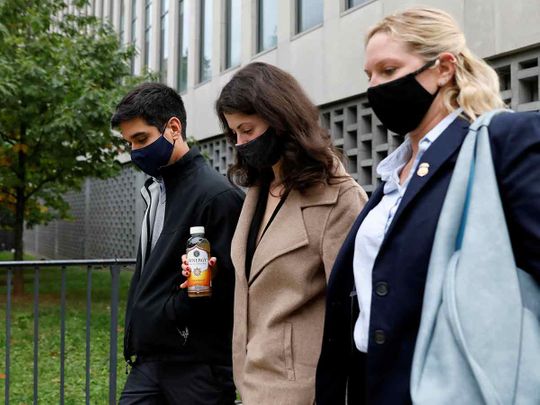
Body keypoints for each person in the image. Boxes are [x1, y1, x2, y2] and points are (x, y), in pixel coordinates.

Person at [316, 6, 540, 405]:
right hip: (371, 385)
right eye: (368, 75)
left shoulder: (501, 143)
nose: (374, 87)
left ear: (444, 68)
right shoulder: (392, 172)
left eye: (388, 70)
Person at [187, 62, 366, 404]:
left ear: (280, 119)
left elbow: (354, 312)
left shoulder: (340, 197)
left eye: (248, 130)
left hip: (305, 390)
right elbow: (262, 283)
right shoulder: (259, 189)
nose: (240, 143)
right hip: (252, 379)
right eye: (234, 133)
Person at [111, 82, 244, 404]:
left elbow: (227, 287)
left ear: (173, 127)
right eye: (129, 143)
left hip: (197, 368)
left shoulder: (218, 196)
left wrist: (175, 314)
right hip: (150, 360)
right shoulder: (156, 190)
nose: (135, 151)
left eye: (141, 139)